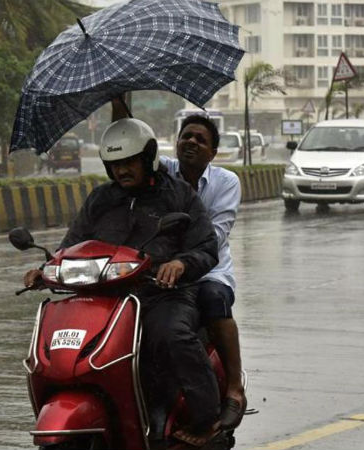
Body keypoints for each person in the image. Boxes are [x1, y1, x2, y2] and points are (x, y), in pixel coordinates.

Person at [23, 118, 223, 447]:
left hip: (160, 294)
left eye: (129, 162)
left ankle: (207, 419)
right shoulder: (101, 199)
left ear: (147, 158)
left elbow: (206, 247)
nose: (122, 170)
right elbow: (71, 246)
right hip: (105, 298)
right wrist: (45, 270)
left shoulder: (177, 195)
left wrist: (179, 263)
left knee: (172, 335)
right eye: (115, 164)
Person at [160, 115, 247, 436]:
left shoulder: (226, 182)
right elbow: (131, 152)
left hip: (209, 269)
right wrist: (120, 105)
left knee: (213, 298)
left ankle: (234, 387)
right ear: (176, 142)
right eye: (186, 136)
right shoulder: (162, 172)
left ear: (212, 153)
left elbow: (216, 236)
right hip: (162, 270)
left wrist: (183, 260)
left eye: (201, 139)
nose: (192, 142)